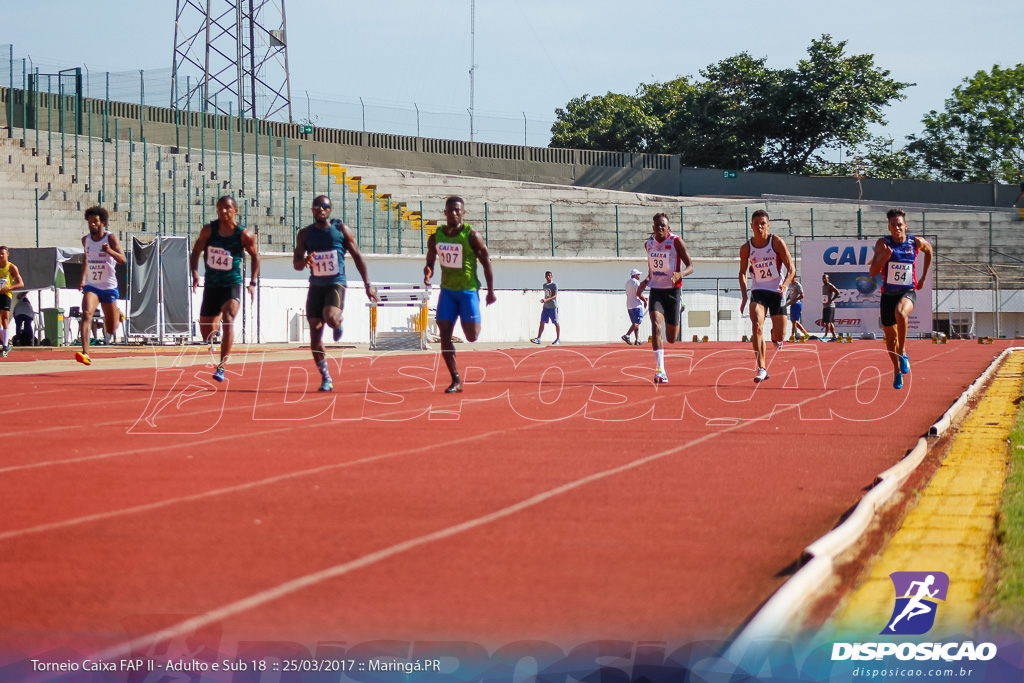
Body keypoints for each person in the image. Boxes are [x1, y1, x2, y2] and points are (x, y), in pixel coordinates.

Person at [293, 195, 379, 392]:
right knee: (314, 335)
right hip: (316, 286)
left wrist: (368, 284)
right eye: (317, 207)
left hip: (336, 284)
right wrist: (304, 261)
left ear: (330, 210)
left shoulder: (341, 230)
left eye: (325, 207)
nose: (321, 210)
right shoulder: (305, 234)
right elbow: (296, 263)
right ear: (312, 210)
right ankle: (326, 378)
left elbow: (357, 257)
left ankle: (337, 323)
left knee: (329, 317)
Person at [424, 196, 496, 393]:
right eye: (450, 210)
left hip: (467, 291)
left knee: (471, 336)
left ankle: (471, 321)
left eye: (458, 210)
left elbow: (486, 262)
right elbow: (430, 261)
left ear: (463, 213)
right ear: (445, 212)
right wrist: (428, 272)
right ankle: (456, 379)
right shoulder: (436, 237)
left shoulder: (472, 236)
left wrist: (490, 291)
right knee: (444, 334)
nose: (454, 213)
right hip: (447, 291)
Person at [189, 195, 260, 382]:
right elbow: (196, 251)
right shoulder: (208, 231)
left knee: (229, 318)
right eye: (220, 208)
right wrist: (195, 273)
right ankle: (217, 315)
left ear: (235, 210)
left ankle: (221, 366)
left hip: (231, 283)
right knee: (207, 334)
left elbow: (255, 256)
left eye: (227, 208)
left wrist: (252, 282)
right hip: (212, 285)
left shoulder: (244, 235)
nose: (223, 211)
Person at [868, 207, 933, 390]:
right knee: (890, 339)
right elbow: (872, 271)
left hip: (907, 291)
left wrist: (923, 277)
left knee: (901, 313)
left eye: (900, 225)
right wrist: (884, 258)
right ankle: (896, 370)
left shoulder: (915, 242)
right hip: (887, 294)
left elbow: (929, 251)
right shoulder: (883, 243)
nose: (897, 228)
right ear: (889, 227)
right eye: (893, 225)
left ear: (906, 226)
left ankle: (903, 353)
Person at [636, 212, 693, 384]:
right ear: (653, 228)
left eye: (663, 225)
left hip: (673, 292)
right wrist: (646, 281)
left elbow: (691, 266)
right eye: (657, 225)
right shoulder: (649, 244)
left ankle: (679, 305)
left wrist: (680, 274)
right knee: (655, 326)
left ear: (668, 228)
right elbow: (652, 270)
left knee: (672, 339)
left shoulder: (675, 242)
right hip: (656, 291)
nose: (660, 228)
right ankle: (660, 370)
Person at [739, 210, 795, 383]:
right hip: (758, 291)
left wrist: (785, 284)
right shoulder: (747, 248)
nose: (760, 226)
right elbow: (742, 272)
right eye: (756, 223)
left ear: (768, 224)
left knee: (780, 335)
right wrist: (744, 296)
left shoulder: (776, 242)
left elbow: (792, 268)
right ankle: (761, 368)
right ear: (751, 226)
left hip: (777, 291)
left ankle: (775, 337)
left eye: (763, 223)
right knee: (756, 325)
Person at [74, 207, 127, 365]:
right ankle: (85, 353)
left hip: (109, 287)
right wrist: (83, 279)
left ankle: (117, 312)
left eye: (95, 222)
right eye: (90, 222)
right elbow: (86, 258)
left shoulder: (110, 238)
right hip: (92, 286)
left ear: (102, 222)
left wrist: (109, 251)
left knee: (111, 330)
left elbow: (123, 260)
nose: (92, 225)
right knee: (86, 314)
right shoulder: (86, 240)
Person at [0, 246, 25, 357]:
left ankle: (5, 347)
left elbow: (21, 284)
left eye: (2, 254)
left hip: (6, 295)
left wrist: (8, 288)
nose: (0, 256)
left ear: (7, 254)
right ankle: (6, 342)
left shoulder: (11, 267)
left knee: (5, 319)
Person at [531, 271, 560, 345]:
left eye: (549, 275)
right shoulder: (544, 285)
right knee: (542, 322)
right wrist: (545, 300)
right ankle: (538, 338)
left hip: (553, 307)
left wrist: (546, 300)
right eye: (547, 276)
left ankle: (558, 339)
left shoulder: (554, 285)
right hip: (546, 307)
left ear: (551, 276)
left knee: (556, 322)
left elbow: (554, 296)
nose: (548, 277)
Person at [622, 268, 647, 345]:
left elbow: (631, 293)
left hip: (629, 304)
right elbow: (638, 294)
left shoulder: (627, 283)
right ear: (635, 275)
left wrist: (643, 298)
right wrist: (645, 301)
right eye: (638, 274)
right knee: (637, 322)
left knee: (635, 323)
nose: (639, 276)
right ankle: (627, 335)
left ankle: (637, 339)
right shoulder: (636, 282)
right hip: (636, 305)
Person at [821, 274, 840, 341]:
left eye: (825, 278)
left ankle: (825, 336)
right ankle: (834, 336)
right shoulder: (823, 286)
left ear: (828, 279)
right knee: (830, 322)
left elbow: (837, 292)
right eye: (823, 278)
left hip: (830, 306)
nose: (824, 280)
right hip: (825, 306)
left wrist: (831, 300)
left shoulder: (830, 286)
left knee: (828, 322)